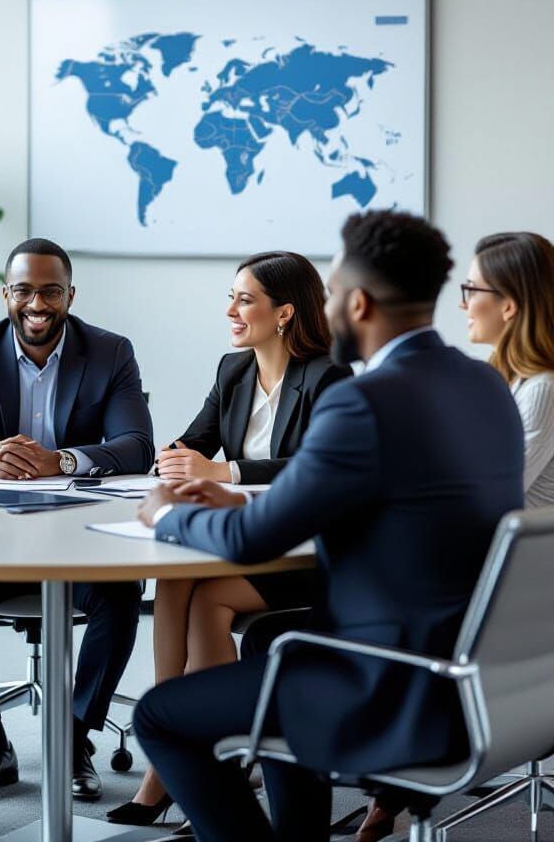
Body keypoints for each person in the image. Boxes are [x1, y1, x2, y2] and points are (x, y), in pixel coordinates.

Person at [131, 210, 524, 842]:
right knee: (264, 641)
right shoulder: (482, 383)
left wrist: (170, 513)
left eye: (334, 293)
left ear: (360, 303)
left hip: (385, 678)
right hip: (473, 667)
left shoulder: (361, 398)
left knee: (161, 716)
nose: (328, 307)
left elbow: (251, 542)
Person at [108, 251, 351, 827]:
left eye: (245, 300)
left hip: (306, 548)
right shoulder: (233, 370)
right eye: (231, 297)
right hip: (243, 537)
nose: (231, 311)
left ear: (285, 312)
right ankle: (175, 755)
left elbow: (315, 466)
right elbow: (195, 442)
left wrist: (227, 472)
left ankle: (198, 754)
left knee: (208, 598)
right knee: (175, 581)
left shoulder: (329, 376)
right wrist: (173, 458)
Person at [0, 237, 153, 803]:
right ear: (6, 295)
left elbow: (137, 445)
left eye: (51, 291)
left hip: (81, 538)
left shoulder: (110, 351)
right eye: (23, 290)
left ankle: (73, 740)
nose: (37, 304)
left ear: (70, 295)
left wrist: (64, 460)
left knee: (121, 596)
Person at [462, 232, 554, 508]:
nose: (463, 304)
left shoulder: (543, 390)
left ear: (509, 306)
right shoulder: (506, 379)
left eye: (471, 290)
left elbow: (486, 493)